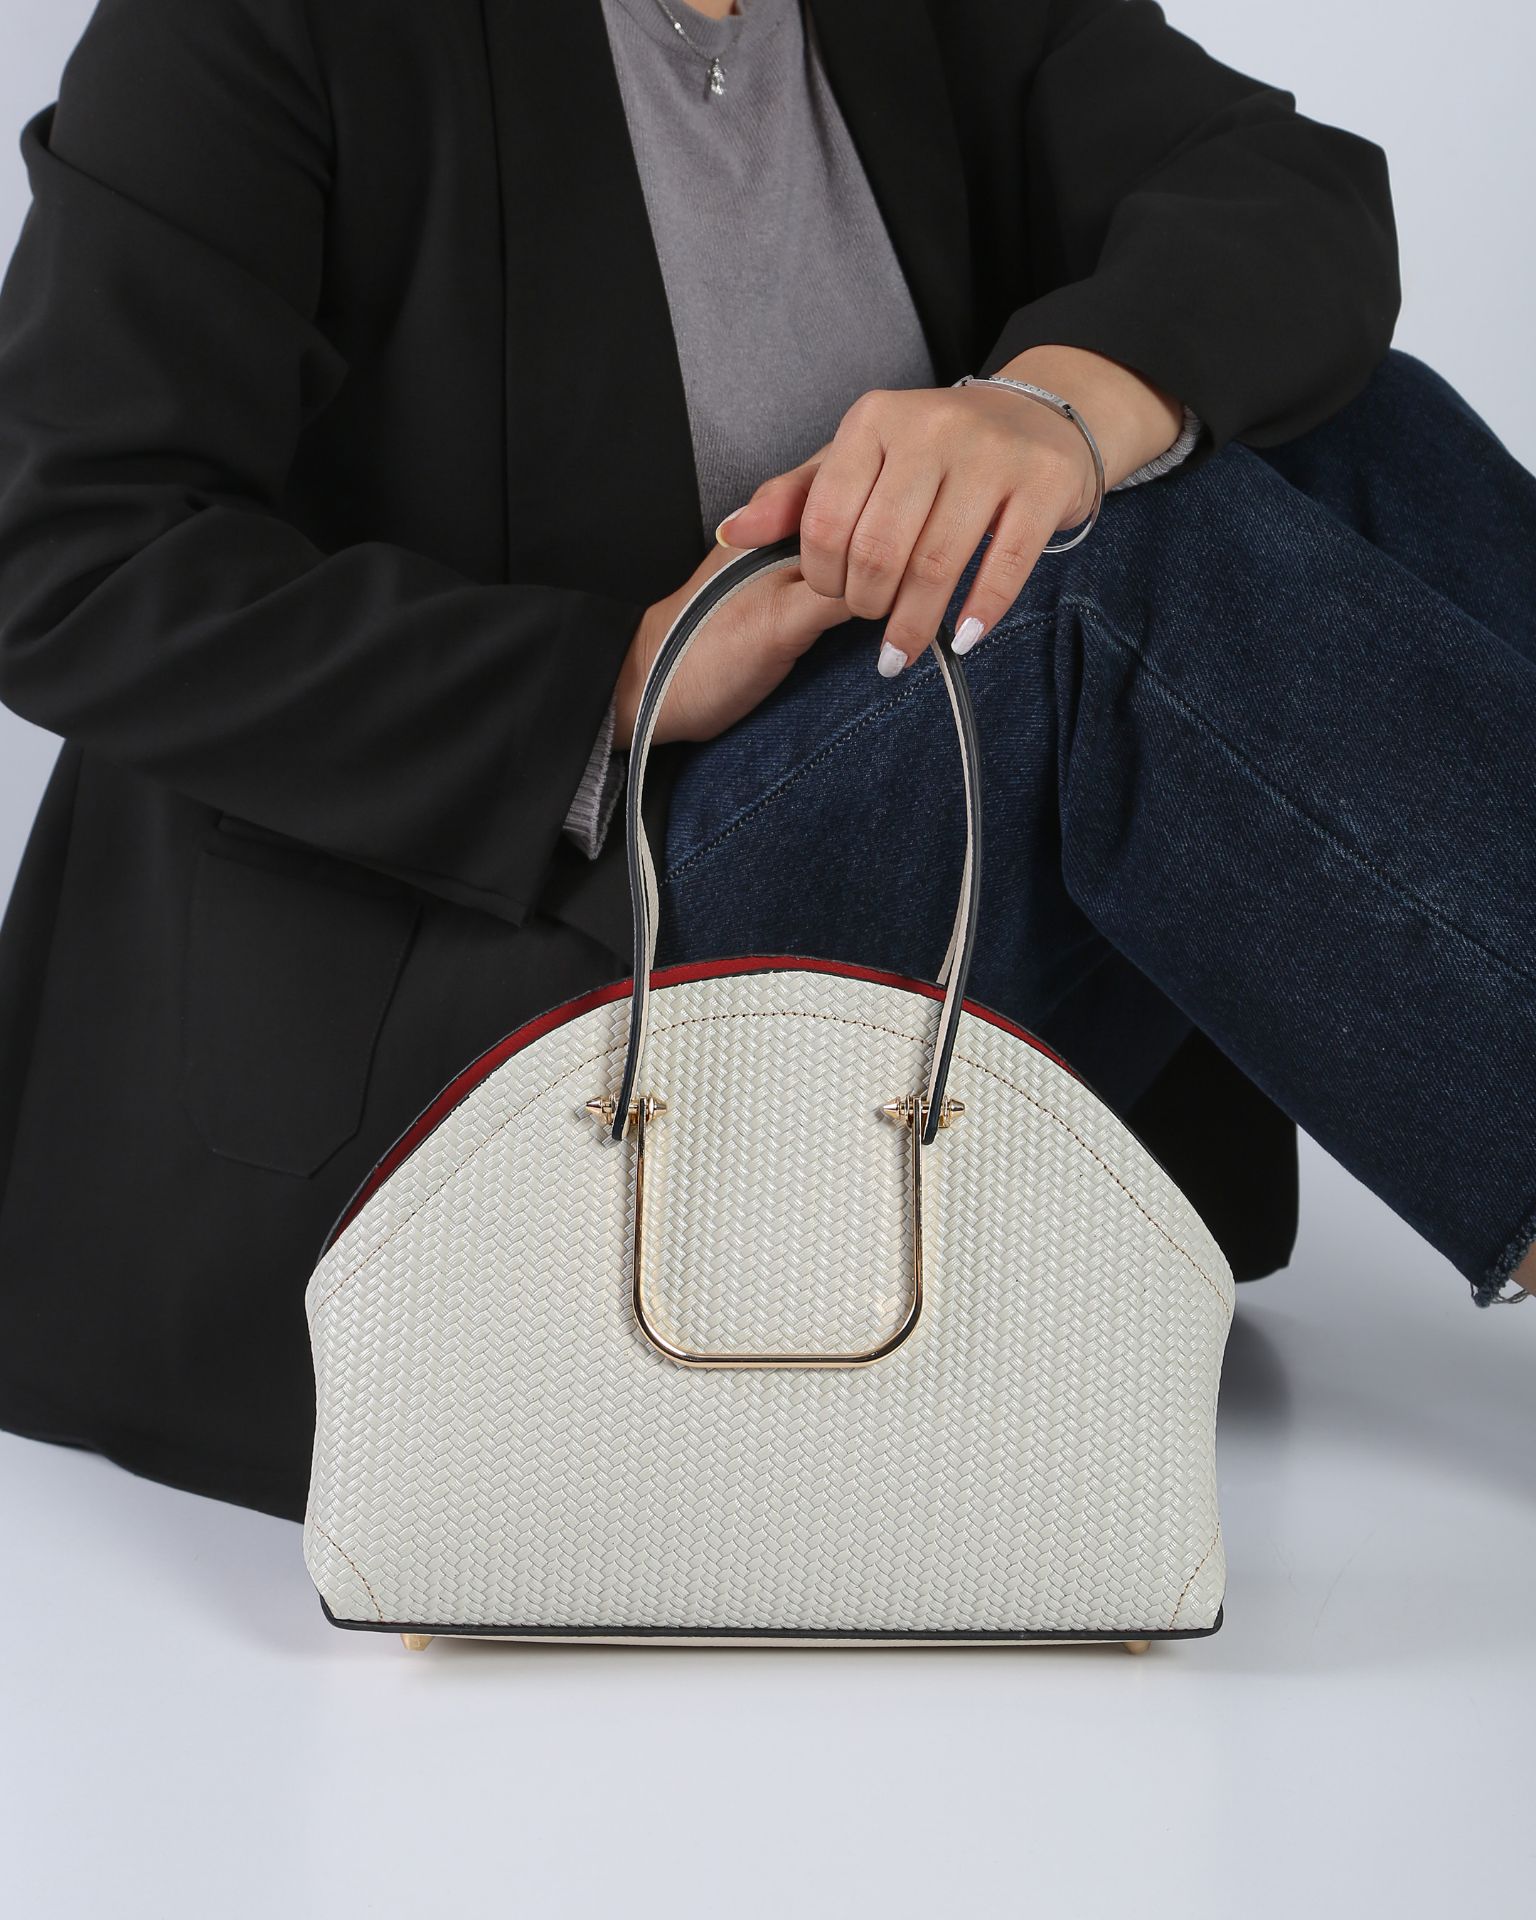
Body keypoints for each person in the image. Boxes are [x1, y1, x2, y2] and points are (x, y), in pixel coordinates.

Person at [0, 0, 1527, 1525]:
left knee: (1341, 425)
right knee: (1109, 592)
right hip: (544, 933)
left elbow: (1291, 188)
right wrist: (615, 677)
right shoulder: (259, 27)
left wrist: (1053, 405)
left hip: (913, 835)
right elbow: (66, 553)